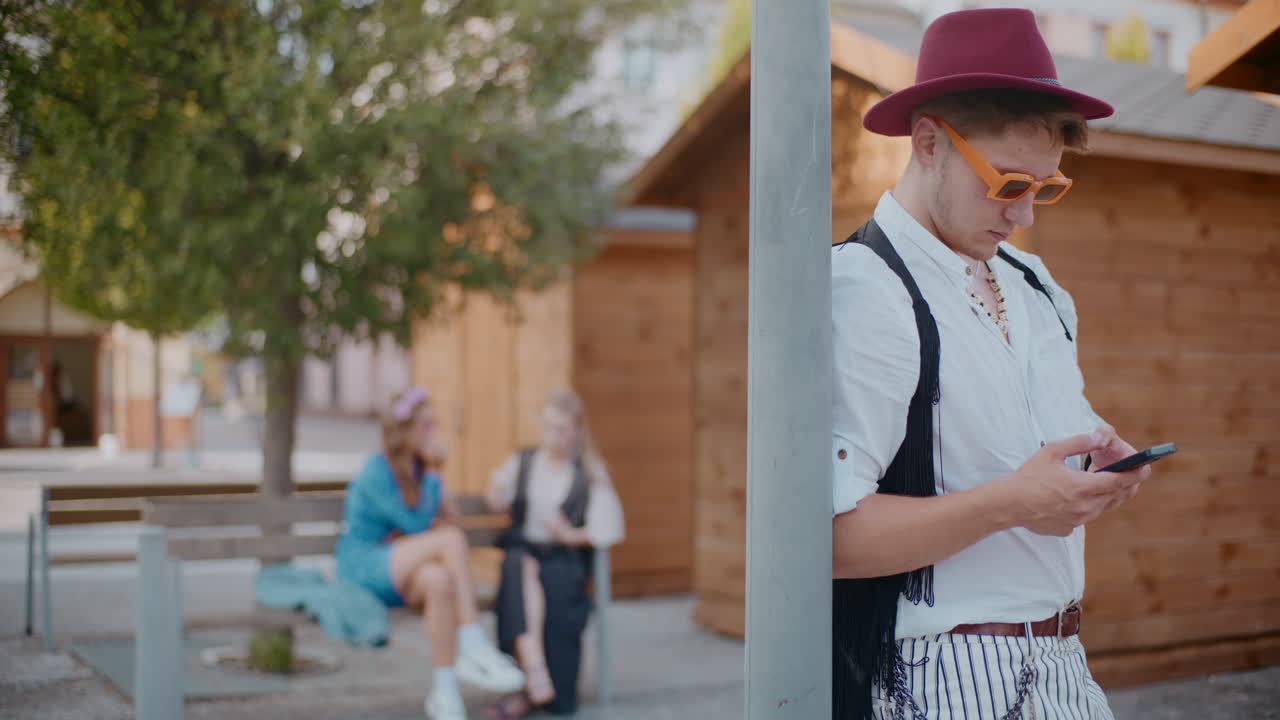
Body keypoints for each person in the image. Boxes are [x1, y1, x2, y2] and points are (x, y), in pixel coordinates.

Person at [830, 9, 1153, 720]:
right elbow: (828, 539)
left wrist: (1099, 461)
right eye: (1009, 184)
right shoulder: (865, 290)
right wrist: (1013, 503)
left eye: (1046, 187)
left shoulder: (1037, 287)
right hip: (941, 678)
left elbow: (1036, 440)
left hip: (1066, 663)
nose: (1026, 214)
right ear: (927, 144)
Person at [336, 386, 524, 720]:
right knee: (449, 540)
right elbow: (415, 523)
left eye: (432, 423)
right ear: (403, 431)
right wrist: (438, 472)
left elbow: (450, 517)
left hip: (398, 566)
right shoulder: (376, 470)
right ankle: (472, 642)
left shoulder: (420, 472)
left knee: (438, 580)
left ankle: (445, 692)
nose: (433, 431)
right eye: (425, 425)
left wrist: (434, 477)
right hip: (364, 565)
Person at [483, 390, 625, 718]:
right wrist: (495, 497)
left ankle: (529, 687)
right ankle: (532, 667)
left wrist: (568, 535)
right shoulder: (525, 462)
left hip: (563, 561)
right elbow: (496, 487)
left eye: (561, 429)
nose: (554, 437)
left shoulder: (588, 473)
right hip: (522, 553)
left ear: (577, 430)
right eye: (548, 427)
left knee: (562, 704)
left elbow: (608, 528)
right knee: (518, 564)